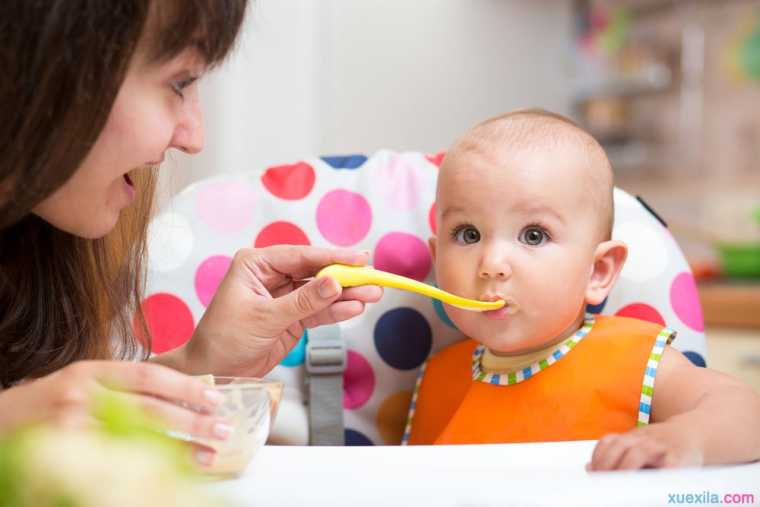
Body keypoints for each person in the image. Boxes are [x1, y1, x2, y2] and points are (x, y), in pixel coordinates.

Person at [0, 0, 381, 467]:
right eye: (179, 83)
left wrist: (196, 366)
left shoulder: (40, 251)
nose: (193, 136)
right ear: (42, 62)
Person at [403, 109, 760, 471]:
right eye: (468, 234)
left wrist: (684, 438)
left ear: (598, 271)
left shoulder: (631, 360)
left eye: (533, 235)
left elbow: (747, 415)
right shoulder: (440, 379)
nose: (492, 263)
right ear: (438, 260)